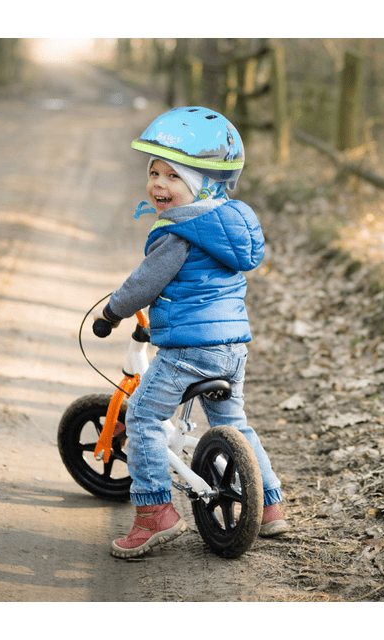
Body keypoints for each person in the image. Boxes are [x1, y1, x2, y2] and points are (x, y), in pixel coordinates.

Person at [96, 106, 288, 559]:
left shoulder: (178, 233)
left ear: (202, 185)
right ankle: (271, 505)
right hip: (233, 349)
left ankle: (153, 514)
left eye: (173, 177)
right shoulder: (228, 225)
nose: (159, 185)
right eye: (154, 173)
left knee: (142, 415)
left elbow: (144, 283)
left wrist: (112, 311)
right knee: (232, 424)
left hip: (187, 351)